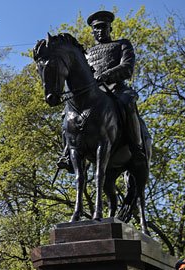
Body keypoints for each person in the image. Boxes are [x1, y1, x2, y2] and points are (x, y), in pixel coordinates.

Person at [57, 10, 144, 173]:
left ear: (110, 28)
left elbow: (127, 67)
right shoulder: (87, 53)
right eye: (96, 28)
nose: (100, 30)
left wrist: (106, 75)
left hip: (116, 88)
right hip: (94, 93)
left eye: (103, 27)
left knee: (129, 103)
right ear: (92, 30)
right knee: (66, 114)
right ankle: (67, 153)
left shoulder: (122, 44)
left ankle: (136, 148)